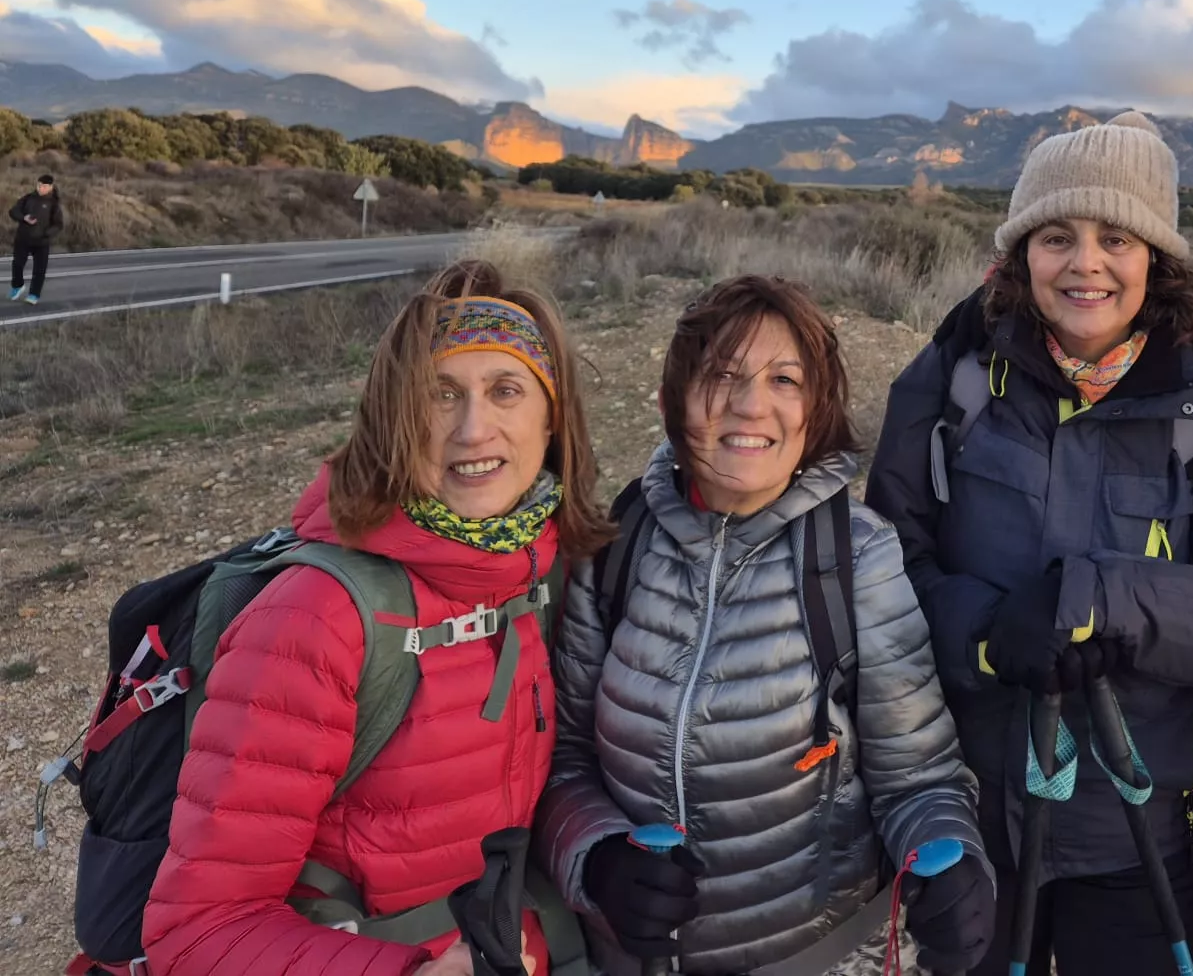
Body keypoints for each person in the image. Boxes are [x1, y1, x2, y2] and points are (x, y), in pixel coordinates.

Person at [868, 111, 1193, 976]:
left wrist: (1086, 601)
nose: (1085, 263)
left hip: (1138, 825)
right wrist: (987, 632)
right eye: (1057, 237)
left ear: (1156, 259)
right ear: (1022, 255)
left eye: (1115, 238)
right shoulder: (957, 376)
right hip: (970, 808)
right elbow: (884, 566)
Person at [144, 260, 611, 975]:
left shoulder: (546, 570)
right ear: (397, 420)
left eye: (506, 390)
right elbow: (198, 931)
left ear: (550, 420)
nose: (473, 428)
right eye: (440, 395)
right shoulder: (315, 620)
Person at [536, 274, 995, 976]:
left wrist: (955, 863)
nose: (751, 405)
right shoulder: (615, 544)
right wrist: (595, 858)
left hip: (814, 957)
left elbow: (919, 778)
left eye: (785, 379)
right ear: (672, 401)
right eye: (721, 375)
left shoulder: (855, 555)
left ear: (816, 410)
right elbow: (564, 759)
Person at [10, 172, 62, 304]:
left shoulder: (54, 204)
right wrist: (24, 217)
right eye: (39, 185)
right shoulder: (28, 198)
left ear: (50, 187)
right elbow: (13, 211)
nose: (40, 188)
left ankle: (34, 294)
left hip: (41, 241)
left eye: (44, 186)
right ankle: (17, 285)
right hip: (23, 238)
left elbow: (58, 224)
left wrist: (47, 233)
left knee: (39, 270)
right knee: (17, 264)